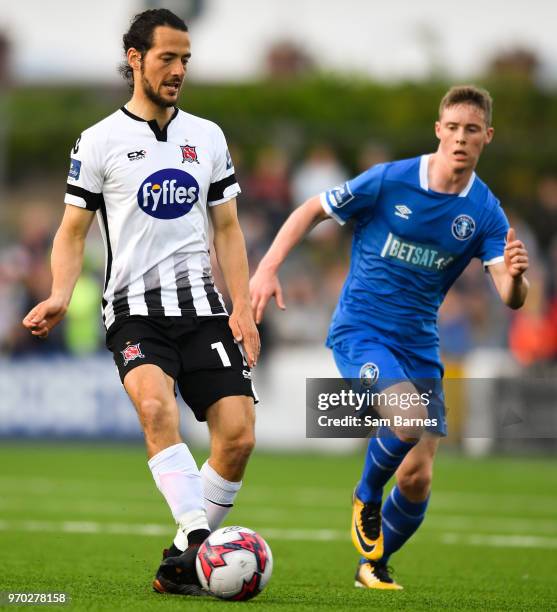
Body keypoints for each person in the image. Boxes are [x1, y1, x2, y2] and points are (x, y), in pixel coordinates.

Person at [250, 85, 529, 590]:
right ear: (439, 130)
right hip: (362, 329)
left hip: (419, 342)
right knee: (406, 420)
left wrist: (516, 276)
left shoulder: (486, 212)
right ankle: (365, 495)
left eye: (473, 130)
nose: (461, 138)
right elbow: (312, 208)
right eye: (453, 128)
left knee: (418, 478)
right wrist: (267, 268)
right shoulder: (390, 180)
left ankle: (372, 564)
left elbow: (509, 294)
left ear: (487, 136)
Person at [22, 8, 259, 597]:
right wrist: (58, 292)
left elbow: (227, 229)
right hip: (133, 310)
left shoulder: (208, 137)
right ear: (136, 59)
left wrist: (243, 305)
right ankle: (203, 542)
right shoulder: (100, 140)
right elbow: (72, 230)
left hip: (203, 309)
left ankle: (182, 562)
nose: (178, 70)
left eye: (185, 60)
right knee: (157, 409)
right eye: (167, 58)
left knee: (239, 437)